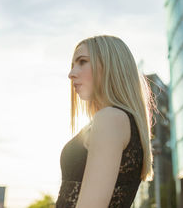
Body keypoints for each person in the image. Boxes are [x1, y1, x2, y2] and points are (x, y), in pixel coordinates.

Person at [56, 35, 154, 208]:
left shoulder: (110, 118)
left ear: (110, 65)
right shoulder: (117, 120)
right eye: (72, 65)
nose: (71, 74)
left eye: (82, 62)